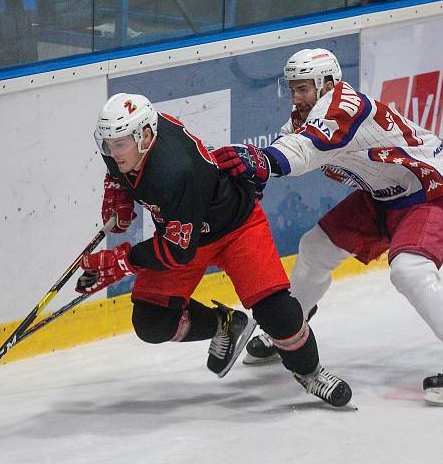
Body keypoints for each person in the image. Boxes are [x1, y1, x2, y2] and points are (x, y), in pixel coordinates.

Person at [211, 48, 443, 405]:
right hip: (380, 198)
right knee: (315, 249)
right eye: (293, 90)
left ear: (328, 85)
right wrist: (254, 174)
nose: (296, 99)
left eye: (303, 90)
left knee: (409, 270)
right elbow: (289, 145)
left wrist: (262, 161)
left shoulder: (345, 105)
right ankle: (289, 328)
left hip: (428, 192)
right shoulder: (308, 115)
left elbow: (303, 151)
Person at [75, 92, 352, 408]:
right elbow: (121, 167)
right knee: (152, 323)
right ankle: (226, 324)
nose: (113, 150)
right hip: (182, 230)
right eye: (108, 143)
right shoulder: (130, 137)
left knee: (277, 313)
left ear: (146, 136)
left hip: (235, 227)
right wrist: (118, 189)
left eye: (120, 144)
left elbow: (178, 253)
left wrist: (125, 260)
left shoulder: (174, 170)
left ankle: (311, 372)